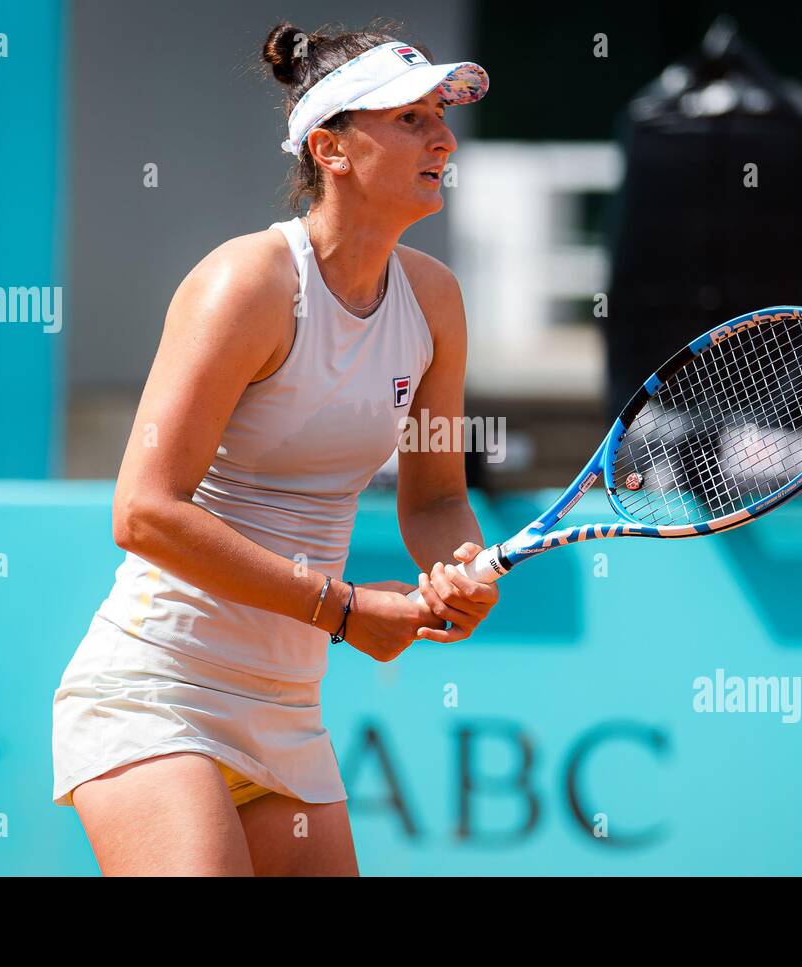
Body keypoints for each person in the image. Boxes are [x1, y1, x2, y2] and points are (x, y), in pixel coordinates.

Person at [50, 20, 497, 876]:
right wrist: (341, 609)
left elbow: (436, 498)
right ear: (330, 149)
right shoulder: (245, 284)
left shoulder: (436, 302)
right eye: (409, 119)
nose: (442, 135)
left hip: (287, 711)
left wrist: (462, 567)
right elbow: (143, 512)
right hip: (158, 690)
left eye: (440, 115)